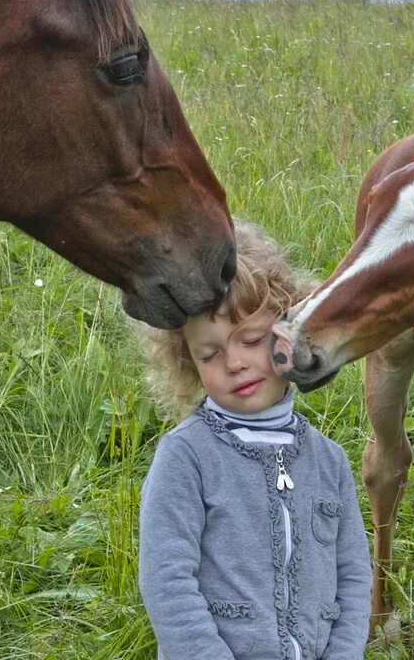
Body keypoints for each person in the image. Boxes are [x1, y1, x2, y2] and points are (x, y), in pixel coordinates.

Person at [136, 219, 372, 660]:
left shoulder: (330, 461)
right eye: (210, 353)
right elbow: (166, 578)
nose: (235, 363)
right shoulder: (186, 458)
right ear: (187, 360)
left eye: (250, 339)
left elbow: (354, 574)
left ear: (288, 331)